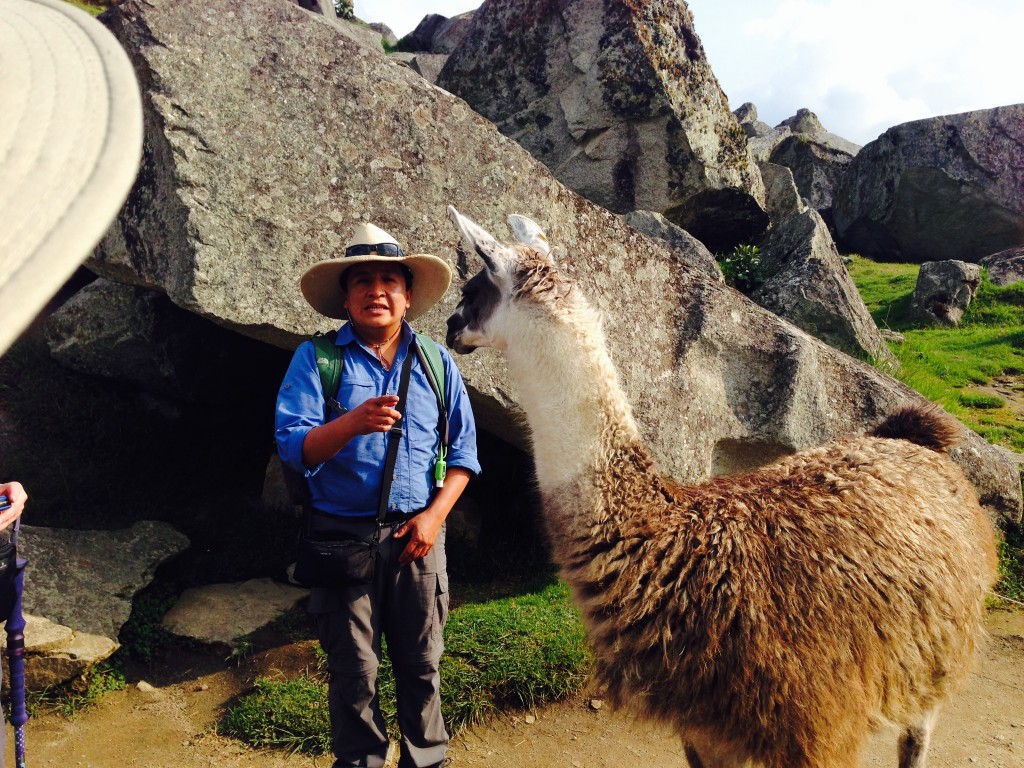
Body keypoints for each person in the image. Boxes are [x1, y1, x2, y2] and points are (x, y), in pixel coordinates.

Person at [276, 222, 480, 768]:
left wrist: (435, 518)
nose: (376, 291)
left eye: (389, 279)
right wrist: (351, 423)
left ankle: (428, 760)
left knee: (421, 666)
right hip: (342, 542)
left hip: (418, 540)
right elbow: (294, 447)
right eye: (362, 281)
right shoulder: (316, 359)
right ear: (345, 297)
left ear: (408, 295)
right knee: (354, 675)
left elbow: (463, 457)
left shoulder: (438, 363)